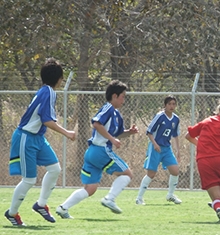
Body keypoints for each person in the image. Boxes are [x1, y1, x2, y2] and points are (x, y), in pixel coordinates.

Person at [4, 58, 76, 226]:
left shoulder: (45, 91)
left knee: (54, 169)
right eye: (62, 77)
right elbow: (47, 120)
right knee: (29, 180)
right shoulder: (49, 92)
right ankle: (12, 213)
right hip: (26, 137)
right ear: (59, 79)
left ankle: (41, 204)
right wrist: (67, 133)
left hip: (37, 137)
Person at [56, 80, 138, 218]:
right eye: (123, 96)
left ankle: (63, 208)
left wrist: (129, 132)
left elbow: (116, 134)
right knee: (127, 174)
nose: (124, 99)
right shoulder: (108, 108)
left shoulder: (117, 115)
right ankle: (109, 199)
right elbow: (96, 123)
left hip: (92, 153)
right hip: (101, 150)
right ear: (114, 96)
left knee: (90, 188)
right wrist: (112, 140)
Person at [135, 95, 182, 205]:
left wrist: (178, 150)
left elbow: (175, 135)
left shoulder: (176, 119)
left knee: (175, 171)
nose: (172, 106)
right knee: (151, 174)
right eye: (169, 104)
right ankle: (139, 198)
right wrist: (155, 144)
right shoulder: (160, 116)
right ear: (165, 105)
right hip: (155, 148)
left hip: (166, 148)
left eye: (173, 104)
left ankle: (170, 195)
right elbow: (149, 132)